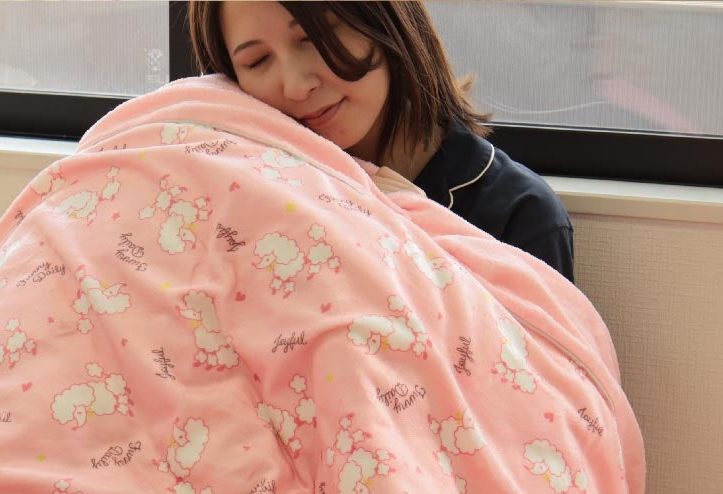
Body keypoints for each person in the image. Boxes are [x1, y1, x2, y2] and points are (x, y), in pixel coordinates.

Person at [188, 0, 575, 282]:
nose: (296, 85)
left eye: (313, 37)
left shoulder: (519, 216)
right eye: (257, 61)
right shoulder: (236, 197)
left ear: (384, 19)